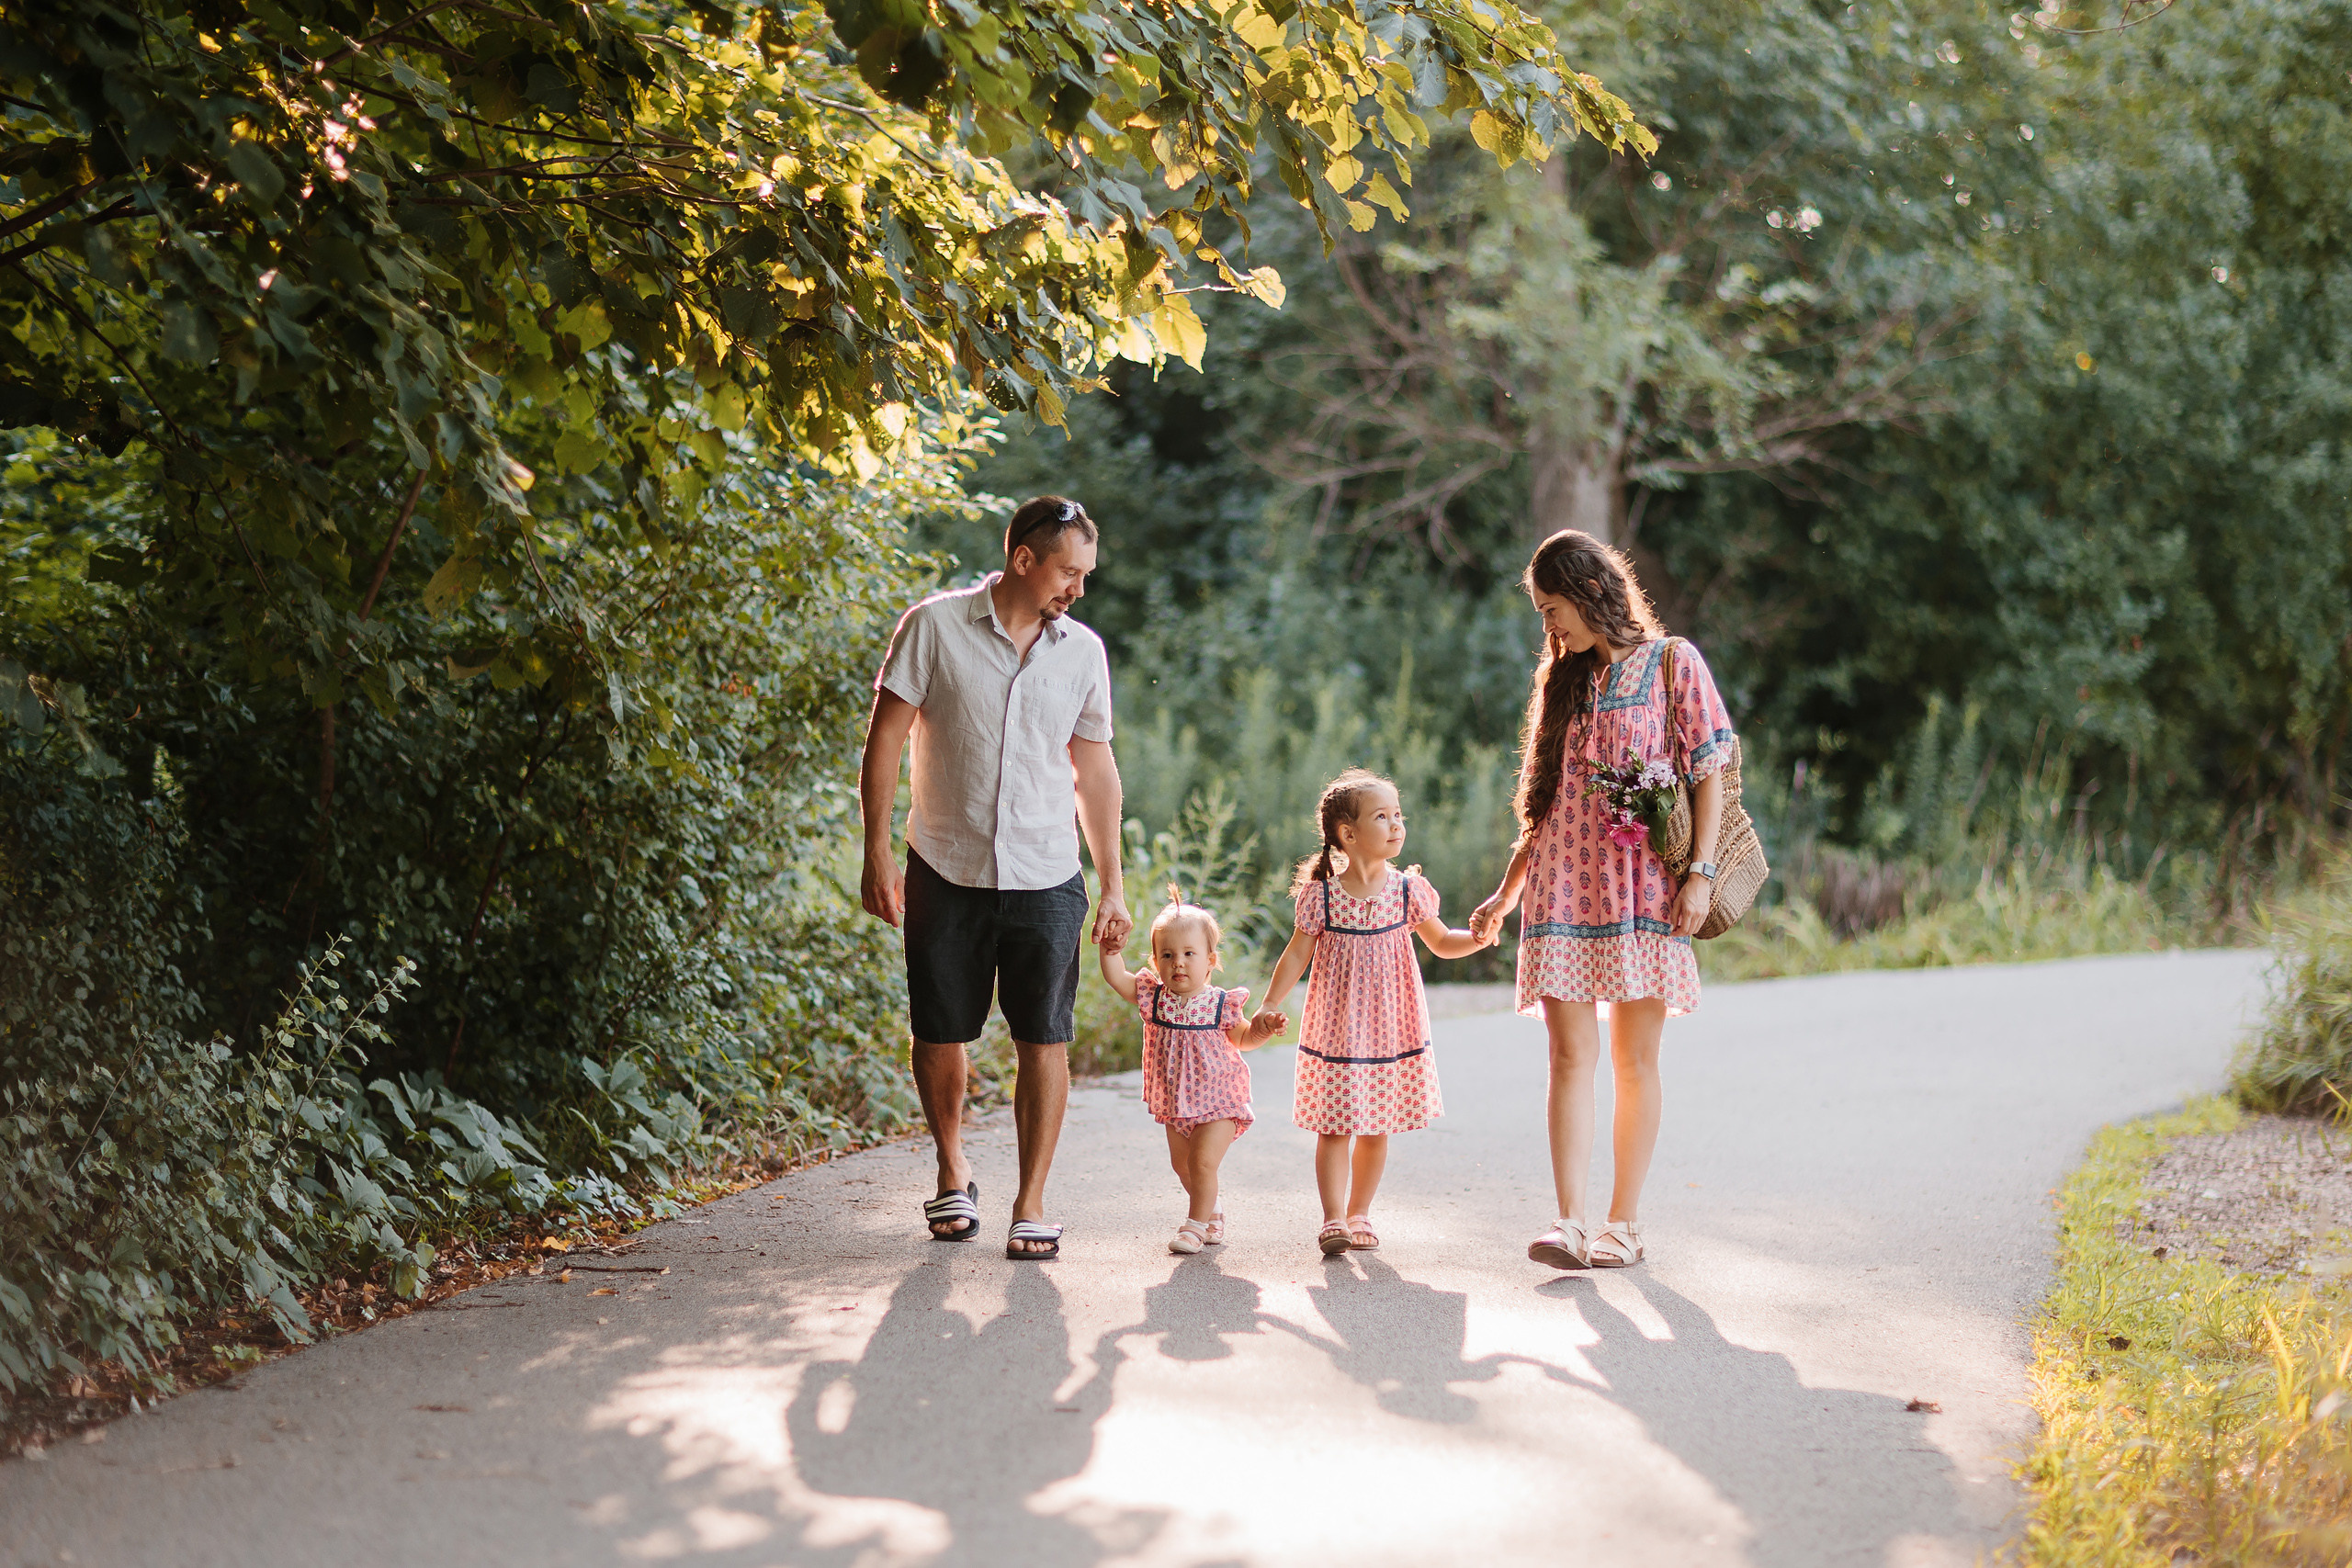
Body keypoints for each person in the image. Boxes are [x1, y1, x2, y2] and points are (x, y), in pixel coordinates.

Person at [860, 496, 1132, 1260]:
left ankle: (1031, 1201)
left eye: (1086, 574)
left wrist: (1112, 882)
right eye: (1068, 571)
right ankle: (952, 1167)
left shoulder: (1082, 653)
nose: (1078, 588)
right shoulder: (934, 627)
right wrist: (876, 850)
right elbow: (885, 739)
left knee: (1045, 1035)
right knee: (939, 1026)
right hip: (946, 863)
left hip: (1047, 870)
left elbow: (1095, 771)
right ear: (1023, 559)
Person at [1468, 528, 1735, 1271]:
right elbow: (1543, 803)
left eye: (1552, 608)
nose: (1549, 625)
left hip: (1643, 892)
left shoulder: (1673, 663)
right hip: (1559, 889)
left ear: (1590, 592)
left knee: (1633, 1059)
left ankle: (1624, 1223)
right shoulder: (1562, 681)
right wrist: (1506, 892)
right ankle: (1569, 1222)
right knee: (1567, 1056)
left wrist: (1701, 873)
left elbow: (1709, 771)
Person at [1252, 770, 1494, 1256]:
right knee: (1333, 1126)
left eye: (1398, 814)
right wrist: (1271, 1003)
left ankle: (1360, 1211)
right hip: (1336, 1030)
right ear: (1348, 833)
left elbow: (1442, 942)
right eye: (1382, 816)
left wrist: (1478, 938)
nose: (1397, 824)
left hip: (1388, 1030)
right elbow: (1296, 955)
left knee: (1376, 1126)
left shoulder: (1407, 890)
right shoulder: (1322, 896)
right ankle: (1333, 1219)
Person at [1097, 888, 1283, 1255]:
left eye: (1188, 954)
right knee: (1182, 1166)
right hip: (1175, 1102)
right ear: (1155, 961)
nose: (1178, 963)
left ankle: (1194, 1227)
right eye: (1167, 955)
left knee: (1202, 1162)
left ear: (1210, 960)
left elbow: (1243, 1039)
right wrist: (1109, 950)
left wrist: (1263, 1029)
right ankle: (1212, 1212)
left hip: (1218, 1100)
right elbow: (1118, 978)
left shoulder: (1219, 1004)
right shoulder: (1155, 997)